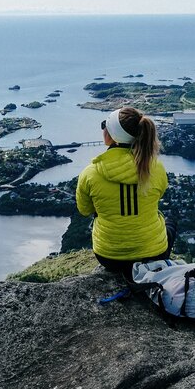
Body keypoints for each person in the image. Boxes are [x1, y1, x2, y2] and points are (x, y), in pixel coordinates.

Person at [76, 106, 176, 280]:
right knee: (171, 223)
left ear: (111, 135)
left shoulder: (90, 173)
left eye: (104, 125)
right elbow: (157, 196)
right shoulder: (156, 168)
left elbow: (85, 210)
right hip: (154, 254)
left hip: (110, 257)